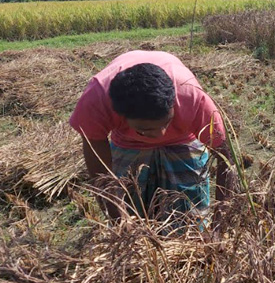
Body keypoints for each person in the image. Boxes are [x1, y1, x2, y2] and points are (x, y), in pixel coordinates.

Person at [69, 50, 237, 230]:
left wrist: (222, 219)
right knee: (132, 209)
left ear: (173, 103)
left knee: (189, 215)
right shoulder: (97, 100)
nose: (160, 134)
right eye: (146, 129)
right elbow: (98, 161)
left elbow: (226, 159)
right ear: (121, 116)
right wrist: (116, 214)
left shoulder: (191, 96)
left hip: (183, 139)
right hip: (128, 142)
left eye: (167, 122)